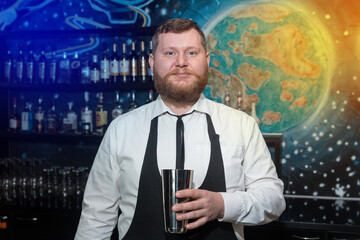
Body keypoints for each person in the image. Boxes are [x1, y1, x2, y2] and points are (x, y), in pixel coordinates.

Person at [75, 18, 285, 240]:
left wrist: (222, 205)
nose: (181, 62)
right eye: (170, 53)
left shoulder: (241, 125)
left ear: (207, 61)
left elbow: (273, 200)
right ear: (152, 62)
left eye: (191, 53)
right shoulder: (121, 128)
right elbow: (96, 215)